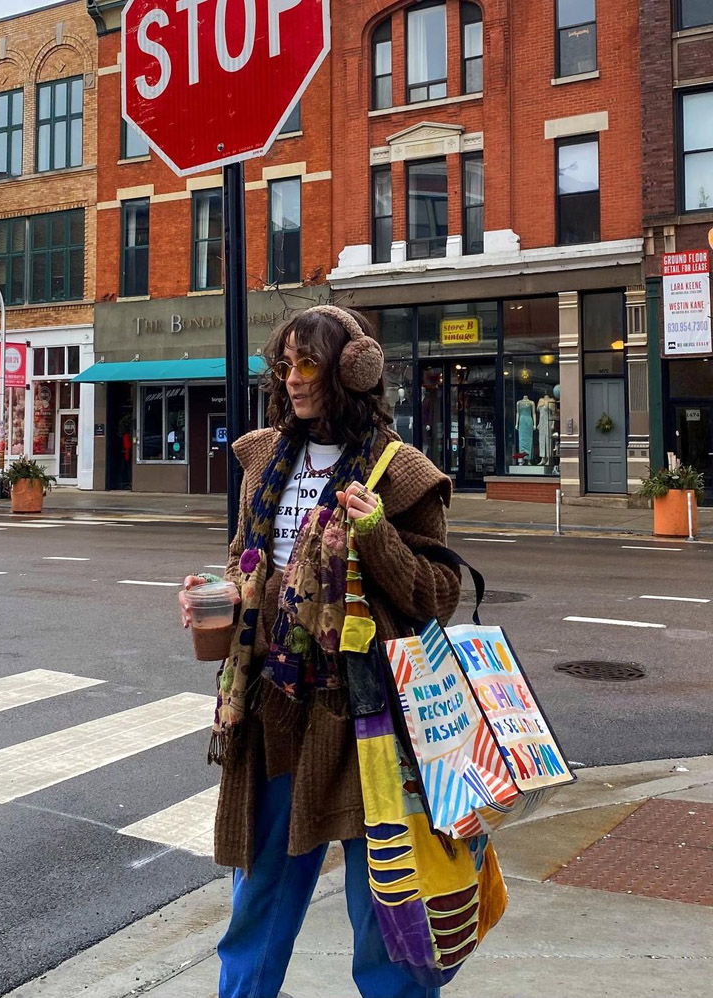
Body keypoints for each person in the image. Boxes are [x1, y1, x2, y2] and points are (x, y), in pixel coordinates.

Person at [180, 306, 461, 998]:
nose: (294, 378)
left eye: (309, 363)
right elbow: (246, 564)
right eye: (285, 364)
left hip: (366, 723)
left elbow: (439, 594)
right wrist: (219, 595)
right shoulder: (264, 461)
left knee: (387, 913)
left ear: (352, 370)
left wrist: (377, 537)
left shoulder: (402, 474)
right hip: (274, 711)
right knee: (257, 905)